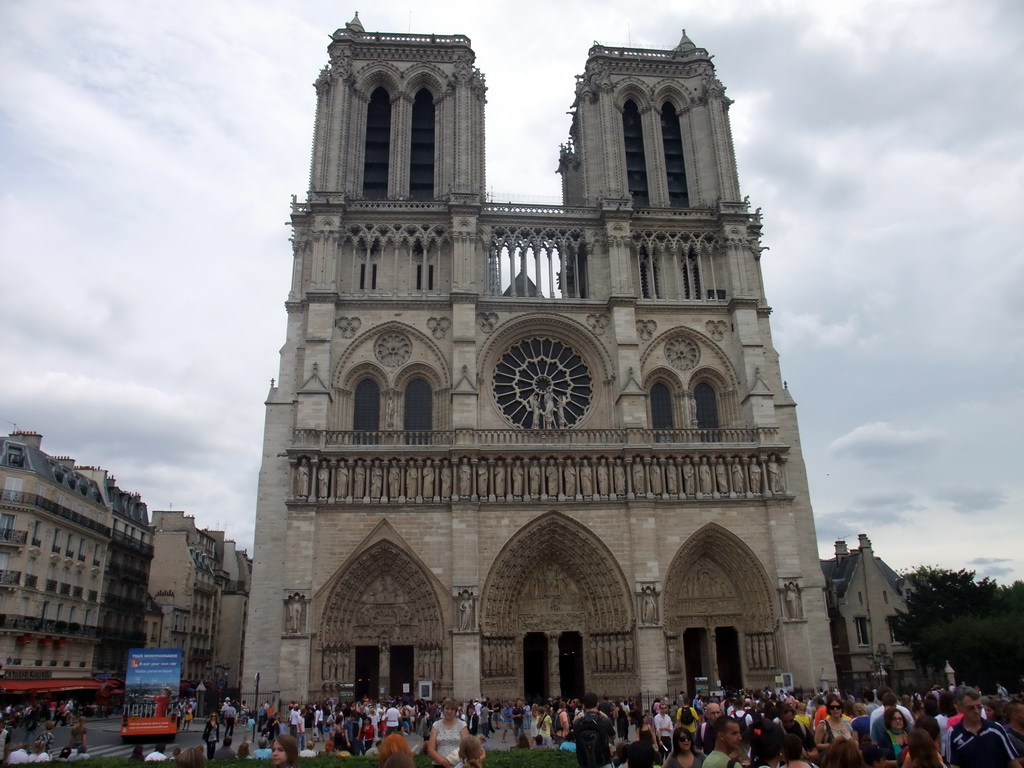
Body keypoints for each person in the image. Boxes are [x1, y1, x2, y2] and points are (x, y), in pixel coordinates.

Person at [947, 687, 1019, 768]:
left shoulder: (996, 729)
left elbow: (1013, 761)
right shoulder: (953, 733)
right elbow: (954, 765)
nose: (976, 711)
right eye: (971, 708)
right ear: (958, 707)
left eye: (979, 706)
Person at [574, 691, 616, 768]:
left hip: (585, 763)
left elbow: (575, 738)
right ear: (597, 704)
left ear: (583, 705)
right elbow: (613, 736)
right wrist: (606, 717)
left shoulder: (578, 723)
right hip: (603, 763)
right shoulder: (604, 720)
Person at [427, 699, 469, 768]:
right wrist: (444, 762)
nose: (449, 711)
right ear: (443, 710)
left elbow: (466, 747)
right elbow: (431, 749)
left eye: (452, 709)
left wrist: (452, 762)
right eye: (447, 708)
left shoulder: (462, 725)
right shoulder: (436, 725)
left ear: (456, 711)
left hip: (457, 765)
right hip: (439, 764)